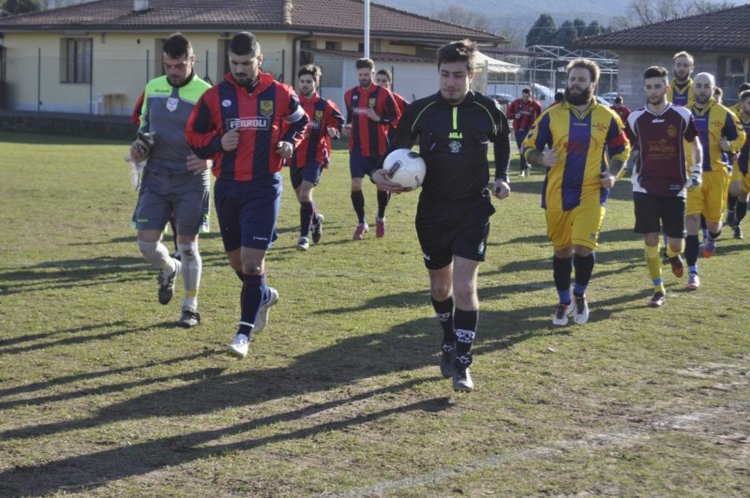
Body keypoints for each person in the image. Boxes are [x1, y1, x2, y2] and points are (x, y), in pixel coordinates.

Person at [372, 39, 511, 392]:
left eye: (458, 75)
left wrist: (502, 176)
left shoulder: (487, 109)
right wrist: (380, 174)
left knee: (464, 287)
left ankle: (463, 362)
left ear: (471, 75)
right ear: (438, 73)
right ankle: (448, 339)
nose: (451, 82)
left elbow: (502, 140)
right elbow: (394, 151)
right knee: (440, 286)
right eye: (445, 74)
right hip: (432, 210)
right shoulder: (420, 110)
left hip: (474, 208)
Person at [186, 32, 308, 358]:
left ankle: (243, 333)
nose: (240, 69)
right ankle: (263, 295)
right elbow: (193, 136)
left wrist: (290, 143)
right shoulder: (214, 97)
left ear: (259, 61)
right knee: (238, 264)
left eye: (246, 63)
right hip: (227, 187)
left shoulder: (279, 93)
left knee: (252, 265)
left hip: (263, 187)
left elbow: (301, 121)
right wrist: (218, 143)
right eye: (234, 63)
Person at [523, 58, 630, 326]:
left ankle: (580, 294)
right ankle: (563, 301)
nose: (575, 84)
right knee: (562, 251)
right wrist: (540, 158)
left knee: (583, 247)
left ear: (593, 84)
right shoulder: (551, 115)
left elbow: (621, 150)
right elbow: (528, 147)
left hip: (592, 192)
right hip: (557, 194)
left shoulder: (607, 116)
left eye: (581, 80)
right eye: (572, 79)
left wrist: (613, 174)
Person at [130, 33, 212, 328]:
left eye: (179, 65)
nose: (173, 72)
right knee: (146, 244)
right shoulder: (153, 87)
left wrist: (209, 159)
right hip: (156, 176)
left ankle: (190, 307)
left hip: (192, 179)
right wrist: (138, 148)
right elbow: (144, 129)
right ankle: (169, 267)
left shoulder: (207, 93)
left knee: (188, 246)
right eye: (168, 66)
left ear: (192, 60)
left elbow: (220, 137)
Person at [620, 66, 702, 307]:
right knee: (651, 239)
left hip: (676, 187)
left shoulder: (682, 115)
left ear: (666, 87)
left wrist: (696, 171)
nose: (653, 91)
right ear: (644, 89)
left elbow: (695, 144)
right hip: (644, 186)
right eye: (649, 87)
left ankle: (673, 255)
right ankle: (658, 290)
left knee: (676, 244)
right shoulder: (635, 118)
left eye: (657, 86)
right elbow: (624, 147)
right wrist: (615, 169)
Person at [684, 72, 746, 289]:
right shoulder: (683, 112)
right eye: (698, 85)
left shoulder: (724, 113)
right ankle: (693, 272)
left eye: (706, 86)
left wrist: (731, 146)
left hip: (717, 175)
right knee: (692, 222)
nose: (702, 90)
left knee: (713, 223)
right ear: (694, 88)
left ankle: (711, 237)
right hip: (691, 175)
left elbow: (740, 137)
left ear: (713, 88)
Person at [342, 58, 401, 239]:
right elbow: (350, 119)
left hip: (379, 150)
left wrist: (379, 118)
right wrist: (346, 127)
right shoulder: (349, 95)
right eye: (360, 75)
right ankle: (361, 223)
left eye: (366, 74)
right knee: (355, 184)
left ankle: (380, 217)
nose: (363, 78)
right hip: (357, 149)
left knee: (382, 186)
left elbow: (396, 118)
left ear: (373, 73)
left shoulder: (383, 94)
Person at [290, 64, 344, 251]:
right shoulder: (293, 104)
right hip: (295, 157)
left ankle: (303, 237)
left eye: (308, 81)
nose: (305, 85)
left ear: (316, 83)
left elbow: (339, 122)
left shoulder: (325, 106)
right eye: (302, 81)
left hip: (316, 156)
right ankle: (315, 219)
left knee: (305, 194)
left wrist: (333, 130)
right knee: (302, 199)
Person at [725, 82, 750, 236]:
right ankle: (730, 211)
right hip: (736, 159)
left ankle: (737, 223)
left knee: (744, 195)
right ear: (741, 104)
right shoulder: (733, 118)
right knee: (735, 189)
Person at [506, 87, 542, 177]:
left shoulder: (536, 104)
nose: (525, 98)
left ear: (530, 96)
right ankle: (526, 166)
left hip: (530, 130)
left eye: (527, 97)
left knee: (523, 148)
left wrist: (537, 127)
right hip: (518, 130)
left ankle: (521, 170)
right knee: (521, 149)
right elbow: (508, 115)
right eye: (523, 96)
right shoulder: (515, 103)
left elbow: (540, 117)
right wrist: (515, 115)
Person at [375, 68, 410, 142]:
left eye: (383, 81)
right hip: (376, 135)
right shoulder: (371, 98)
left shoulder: (396, 98)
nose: (380, 83)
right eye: (378, 80)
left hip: (392, 136)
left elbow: (411, 109)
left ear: (390, 82)